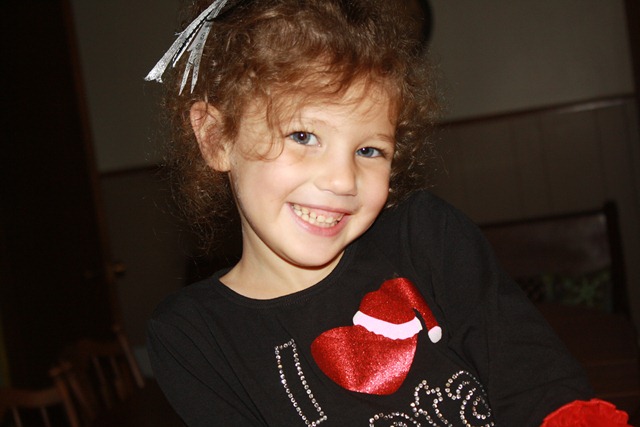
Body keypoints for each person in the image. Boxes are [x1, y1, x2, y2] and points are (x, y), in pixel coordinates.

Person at [144, 0, 631, 425]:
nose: (342, 180)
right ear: (216, 137)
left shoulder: (426, 237)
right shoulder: (193, 334)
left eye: (369, 150)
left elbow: (537, 382)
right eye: (303, 136)